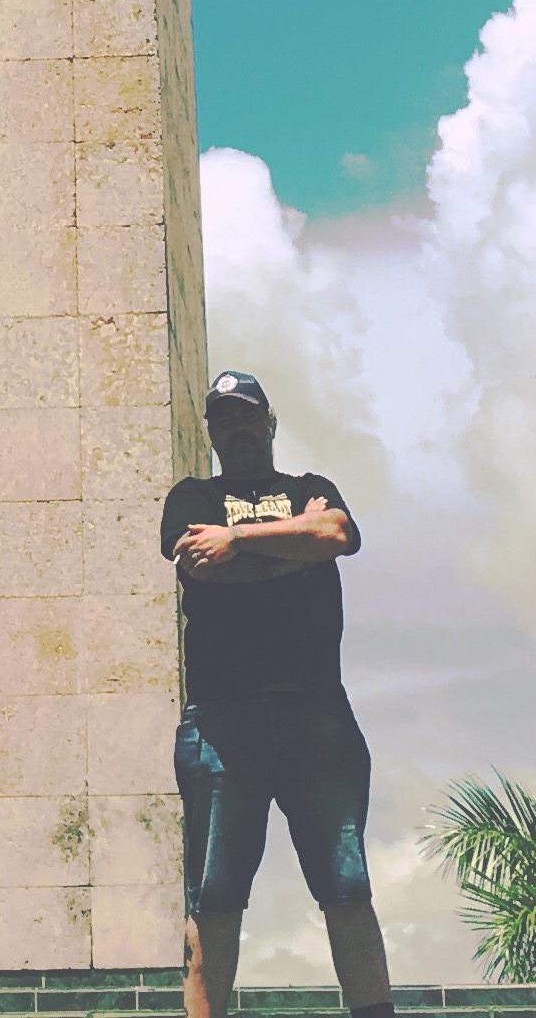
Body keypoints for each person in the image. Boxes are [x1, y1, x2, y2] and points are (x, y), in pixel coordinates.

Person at [162, 371, 392, 1018]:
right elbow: (203, 571)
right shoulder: (191, 496)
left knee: (348, 889)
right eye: (223, 418)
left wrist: (237, 539)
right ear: (210, 432)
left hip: (316, 714)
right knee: (214, 900)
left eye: (246, 414)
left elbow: (337, 534)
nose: (236, 427)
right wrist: (298, 546)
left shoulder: (311, 486)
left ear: (269, 422)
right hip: (222, 724)